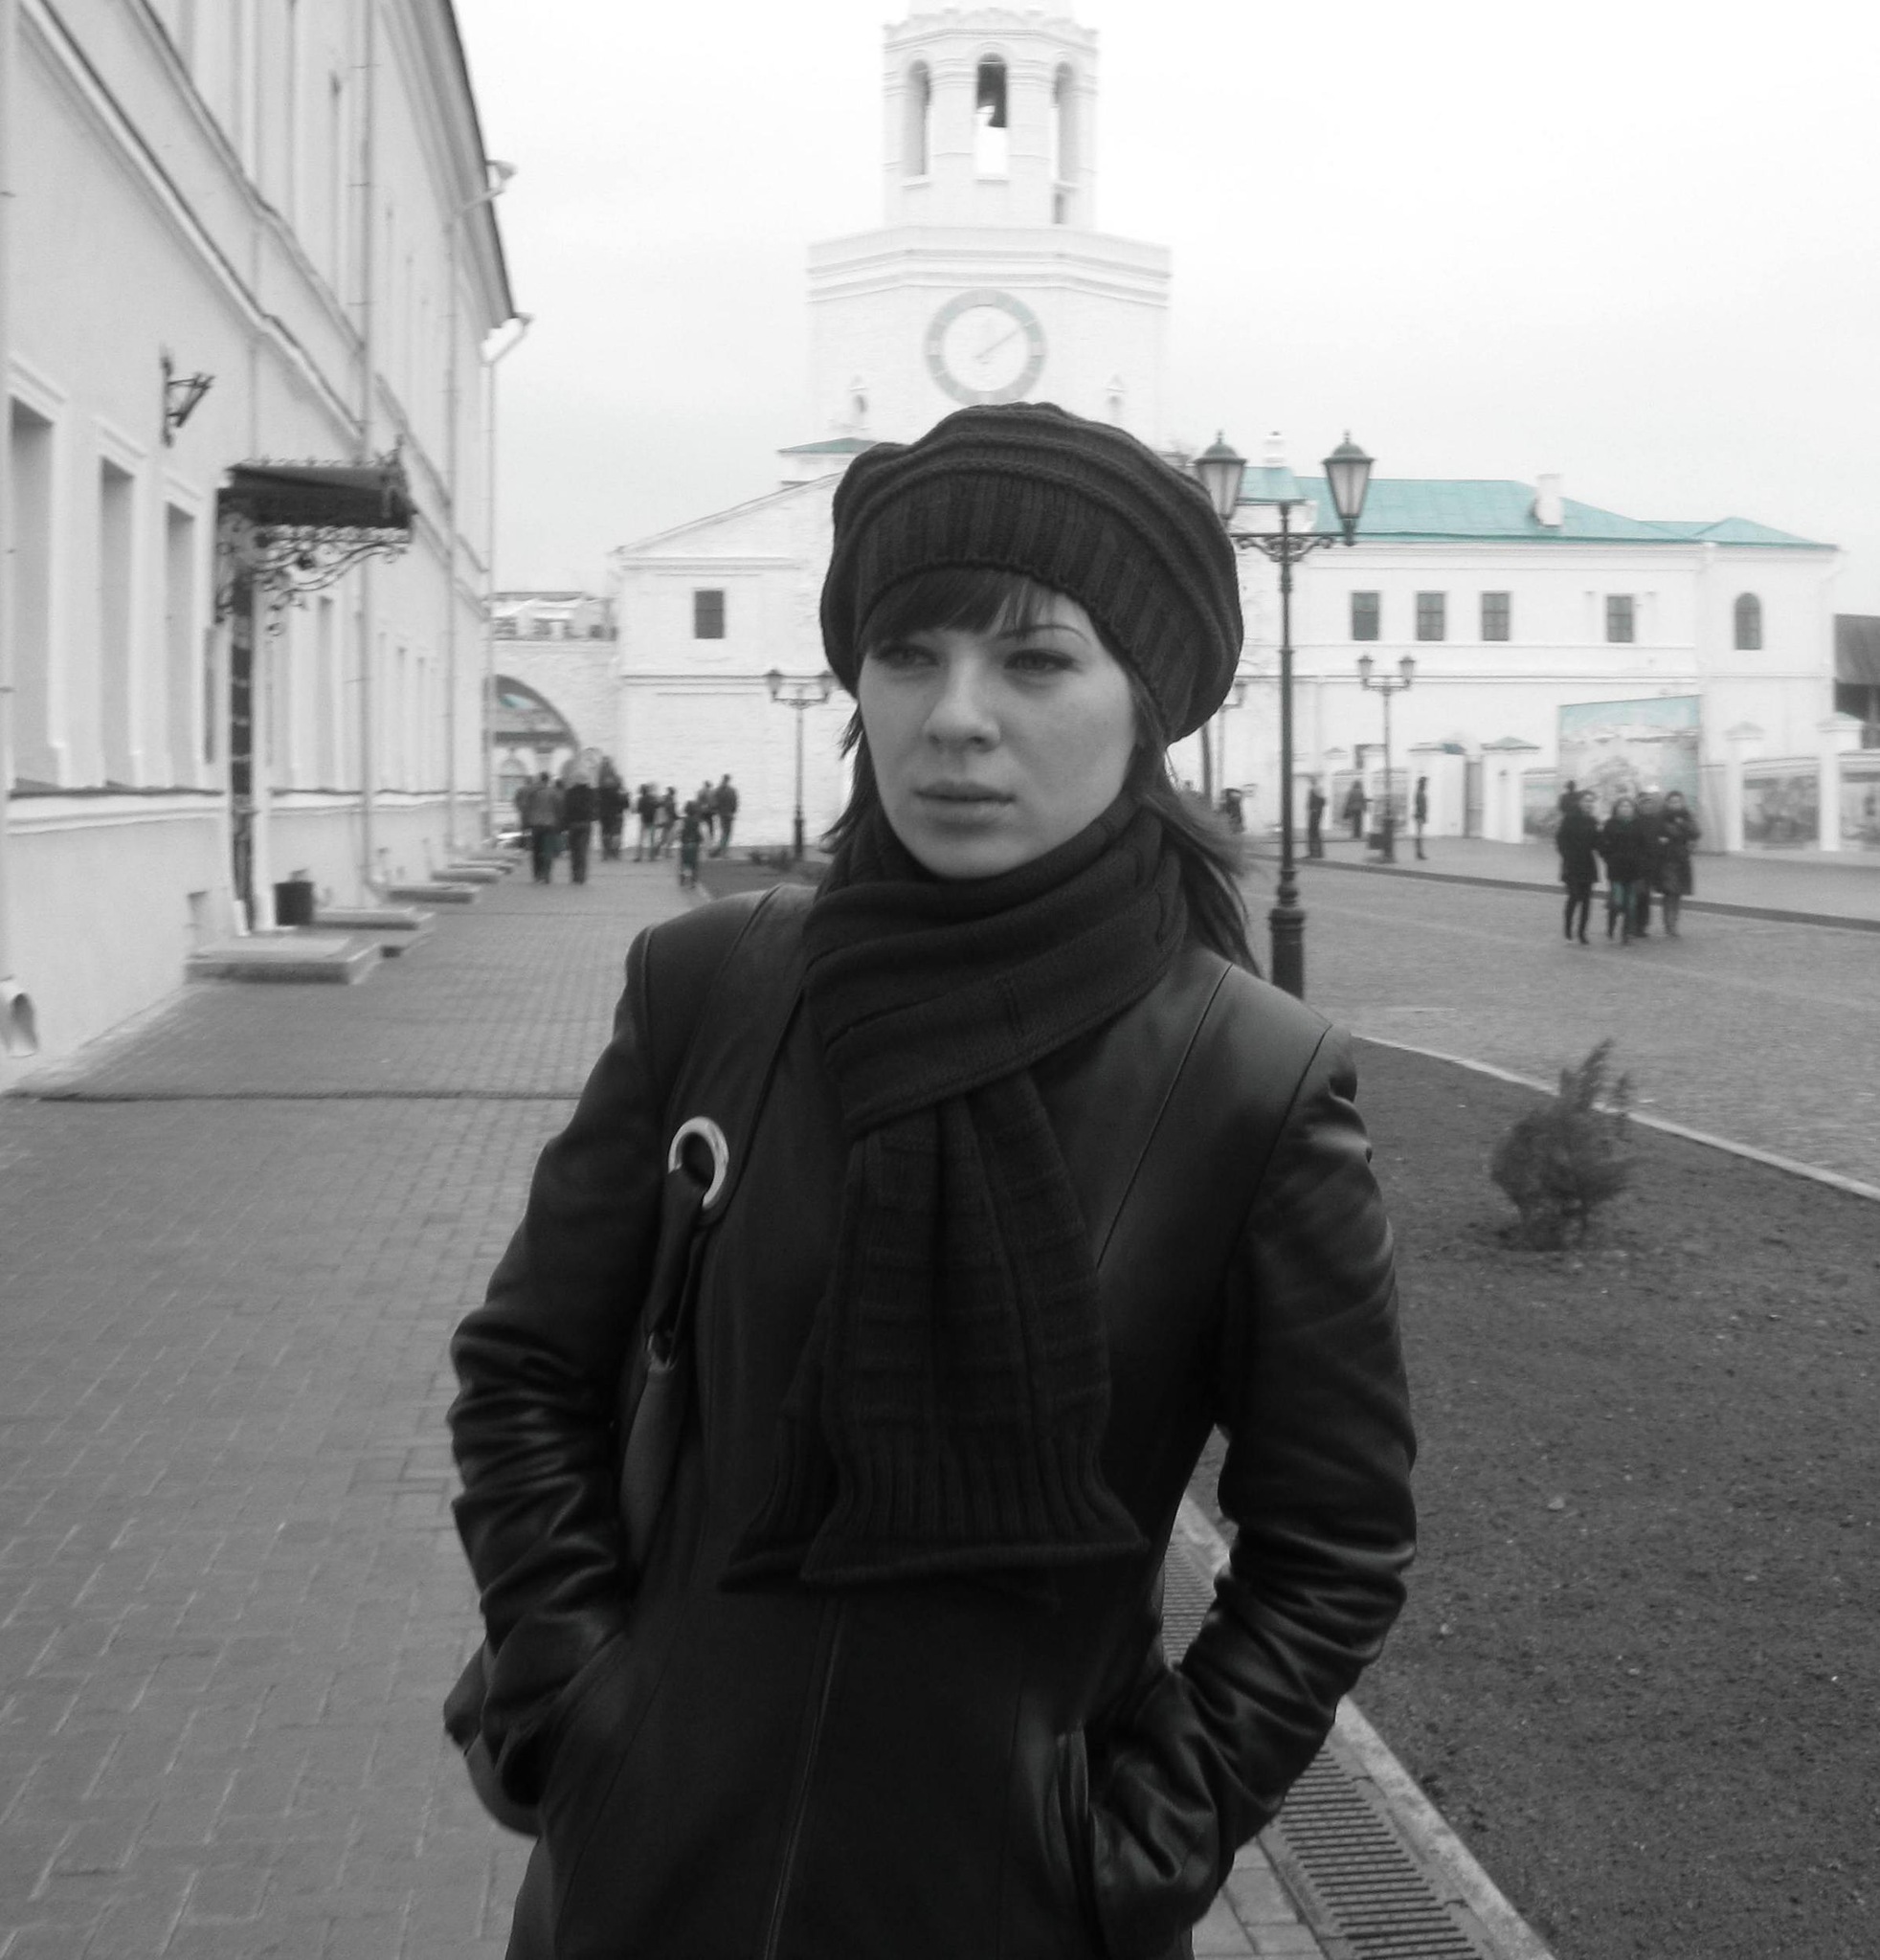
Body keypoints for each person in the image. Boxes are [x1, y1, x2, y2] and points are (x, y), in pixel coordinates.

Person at [448, 403, 1416, 1960]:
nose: (955, 715)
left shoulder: (1250, 1080)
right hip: (648, 1872)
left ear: (1146, 703)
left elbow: (1331, 1541)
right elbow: (525, 1373)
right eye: (908, 654)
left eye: (1034, 660)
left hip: (1013, 1902)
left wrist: (1131, 1848)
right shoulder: (712, 990)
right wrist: (576, 1700)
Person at [1599, 794, 1647, 943]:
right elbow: (1603, 845)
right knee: (1617, 902)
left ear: (1633, 809)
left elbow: (1644, 845)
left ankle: (1625, 933)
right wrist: (1609, 858)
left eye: (1628, 806)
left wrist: (1640, 861)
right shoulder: (1610, 824)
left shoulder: (1638, 825)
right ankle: (1611, 923)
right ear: (1617, 808)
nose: (1625, 809)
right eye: (1622, 806)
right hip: (1616, 870)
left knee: (1631, 904)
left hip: (1633, 870)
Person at [1655, 789, 1701, 936]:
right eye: (1672, 801)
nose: (1675, 804)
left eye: (1678, 801)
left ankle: (1673, 923)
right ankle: (1669, 925)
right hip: (1666, 860)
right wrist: (1662, 839)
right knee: (1670, 892)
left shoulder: (1686, 816)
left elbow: (1696, 832)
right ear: (1667, 803)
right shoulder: (1661, 817)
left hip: (1682, 860)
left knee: (1677, 893)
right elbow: (1657, 834)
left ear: (1682, 802)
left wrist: (1682, 825)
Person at [1556, 788, 1600, 944]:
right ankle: (1568, 926)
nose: (1589, 804)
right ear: (1580, 802)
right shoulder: (1569, 818)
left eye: (1591, 801)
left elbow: (1597, 844)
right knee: (1574, 896)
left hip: (1587, 864)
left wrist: (1600, 834)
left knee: (1586, 901)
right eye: (1586, 801)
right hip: (1572, 864)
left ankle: (1582, 932)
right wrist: (1566, 855)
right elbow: (1560, 839)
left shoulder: (1593, 821)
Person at [516, 771, 564, 885]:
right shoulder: (553, 793)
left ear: (540, 779)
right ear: (548, 780)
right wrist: (559, 823)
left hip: (535, 825)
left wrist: (526, 824)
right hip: (550, 825)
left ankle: (537, 875)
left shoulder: (532, 792)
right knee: (548, 850)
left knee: (536, 851)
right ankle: (546, 875)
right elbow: (559, 808)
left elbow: (526, 808)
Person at [1632, 791, 1661, 937]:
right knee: (1639, 895)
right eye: (1644, 804)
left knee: (1646, 896)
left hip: (1651, 865)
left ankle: (1642, 926)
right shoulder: (1635, 822)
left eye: (1650, 804)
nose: (1647, 806)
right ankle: (1633, 924)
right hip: (1637, 865)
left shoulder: (1656, 821)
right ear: (1639, 806)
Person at [563, 775, 596, 886]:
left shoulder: (570, 793)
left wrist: (565, 825)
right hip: (586, 823)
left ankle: (575, 875)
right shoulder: (590, 792)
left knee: (574, 851)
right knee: (583, 850)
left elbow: (566, 809)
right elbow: (594, 806)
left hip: (573, 824)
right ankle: (582, 876)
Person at [596, 763, 626, 862]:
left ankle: (605, 853)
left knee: (605, 833)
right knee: (616, 834)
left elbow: (597, 801)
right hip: (616, 813)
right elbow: (624, 802)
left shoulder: (600, 788)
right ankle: (615, 853)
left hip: (604, 814)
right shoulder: (618, 787)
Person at [675, 793, 705, 889]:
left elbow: (678, 831)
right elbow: (702, 832)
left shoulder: (682, 821)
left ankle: (683, 876)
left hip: (685, 843)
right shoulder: (698, 822)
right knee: (694, 863)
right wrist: (704, 842)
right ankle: (693, 881)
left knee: (684, 862)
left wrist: (678, 837)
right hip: (695, 844)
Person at [710, 773, 739, 856]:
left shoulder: (717, 790)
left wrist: (716, 811)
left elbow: (713, 803)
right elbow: (735, 803)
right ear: (728, 780)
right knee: (727, 833)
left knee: (724, 832)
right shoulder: (732, 791)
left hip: (721, 814)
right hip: (729, 814)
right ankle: (723, 851)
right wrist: (733, 812)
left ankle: (720, 850)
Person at [634, 782, 659, 861]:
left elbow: (638, 810)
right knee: (652, 840)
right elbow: (657, 806)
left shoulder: (640, 799)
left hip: (644, 821)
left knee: (641, 839)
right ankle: (651, 857)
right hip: (652, 820)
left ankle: (639, 856)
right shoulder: (653, 798)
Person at [1307, 780, 1327, 858]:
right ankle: (1319, 853)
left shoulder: (1313, 791)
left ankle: (1313, 853)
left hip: (1314, 815)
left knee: (1312, 833)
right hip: (1317, 815)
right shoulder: (1321, 796)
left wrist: (1312, 808)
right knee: (1316, 834)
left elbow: (1310, 804)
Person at [1343, 777, 1367, 841]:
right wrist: (1365, 808)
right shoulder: (1361, 792)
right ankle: (1359, 834)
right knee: (1359, 822)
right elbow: (1363, 801)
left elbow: (1349, 801)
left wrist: (1347, 808)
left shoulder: (1351, 792)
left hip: (1353, 808)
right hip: (1359, 809)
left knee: (1354, 822)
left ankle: (1354, 834)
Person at [1412, 775, 1429, 859]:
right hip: (1420, 816)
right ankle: (1419, 852)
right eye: (1425, 783)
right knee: (1419, 834)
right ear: (1422, 784)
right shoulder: (1420, 793)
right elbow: (1420, 806)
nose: (1426, 785)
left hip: (1419, 815)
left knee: (1419, 834)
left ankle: (1419, 852)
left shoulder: (1419, 792)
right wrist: (1423, 816)